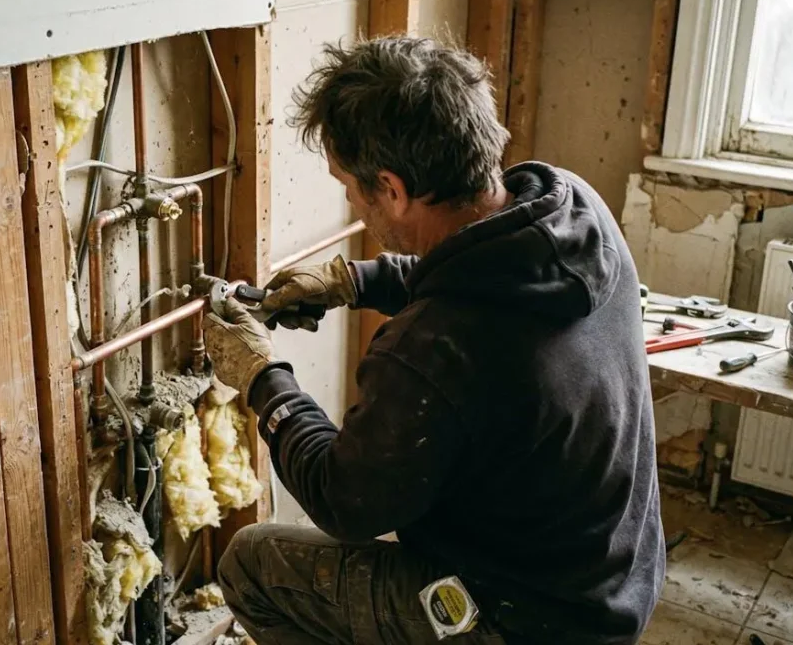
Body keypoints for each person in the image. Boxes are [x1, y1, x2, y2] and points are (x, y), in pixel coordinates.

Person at [201, 36, 664, 645]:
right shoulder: (572, 211)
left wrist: (264, 377)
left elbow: (346, 503)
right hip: (614, 577)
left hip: (524, 620)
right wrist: (353, 281)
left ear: (391, 188)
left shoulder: (433, 347)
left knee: (251, 564)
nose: (350, 199)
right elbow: (480, 273)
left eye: (348, 184)